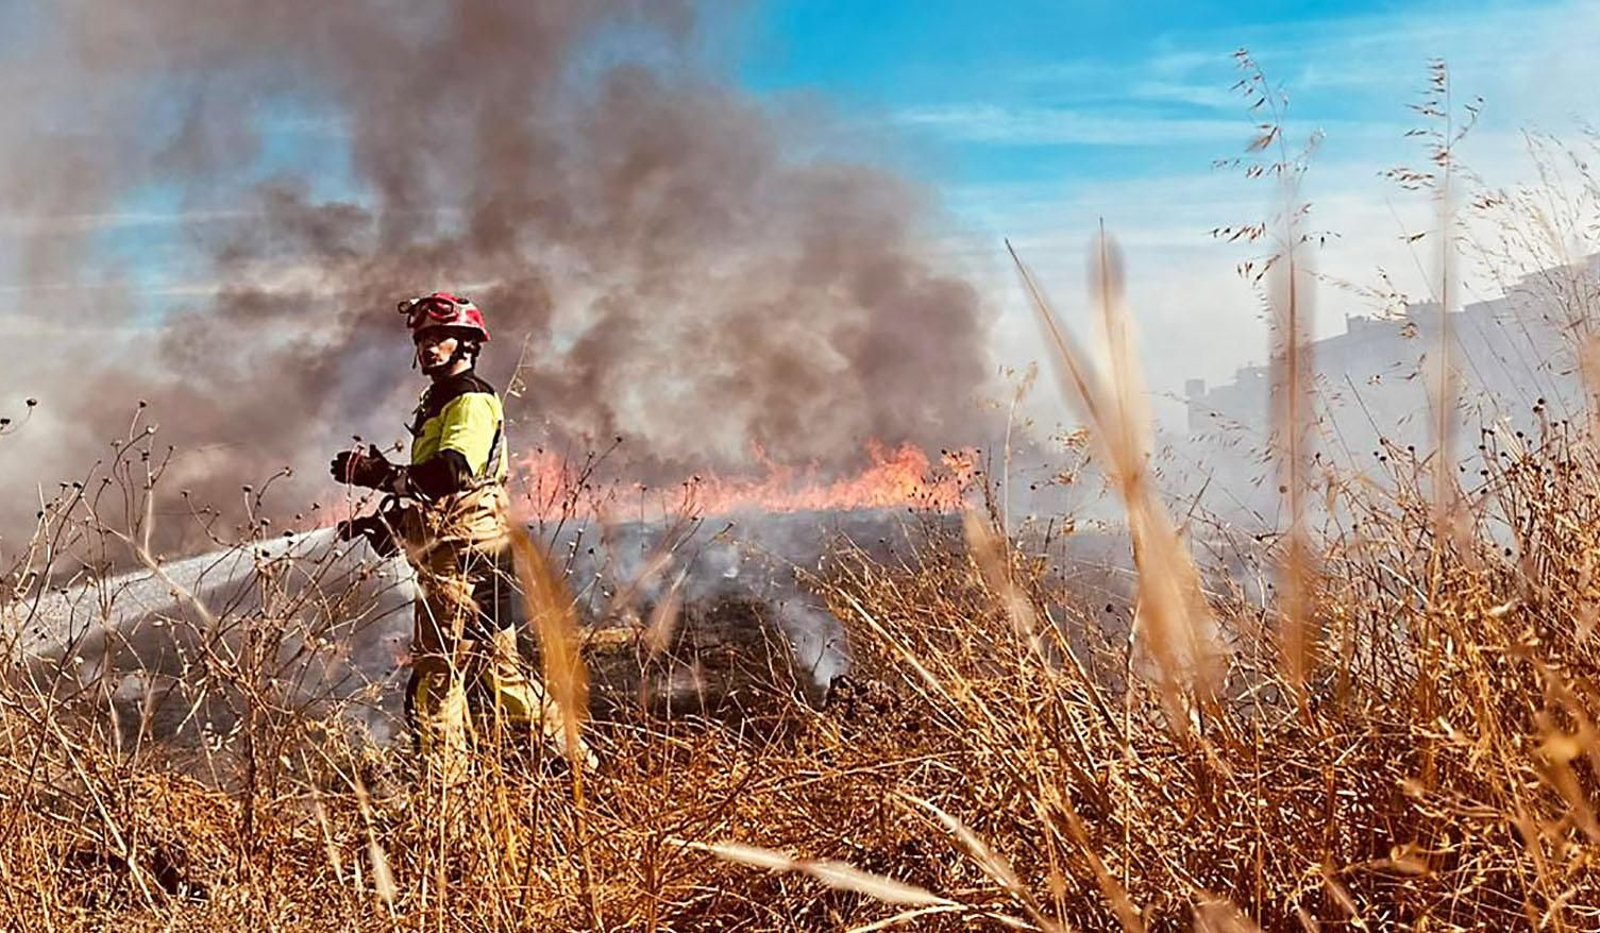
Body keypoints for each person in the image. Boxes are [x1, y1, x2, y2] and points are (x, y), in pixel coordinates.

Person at [331, 291, 591, 778]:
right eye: (423, 338)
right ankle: (578, 760)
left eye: (441, 337)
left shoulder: (469, 399)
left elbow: (451, 474)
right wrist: (385, 521)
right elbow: (446, 498)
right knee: (499, 672)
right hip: (471, 549)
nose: (429, 347)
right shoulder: (441, 399)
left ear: (467, 343)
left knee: (438, 677)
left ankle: (444, 793)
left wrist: (377, 475)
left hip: (465, 560)